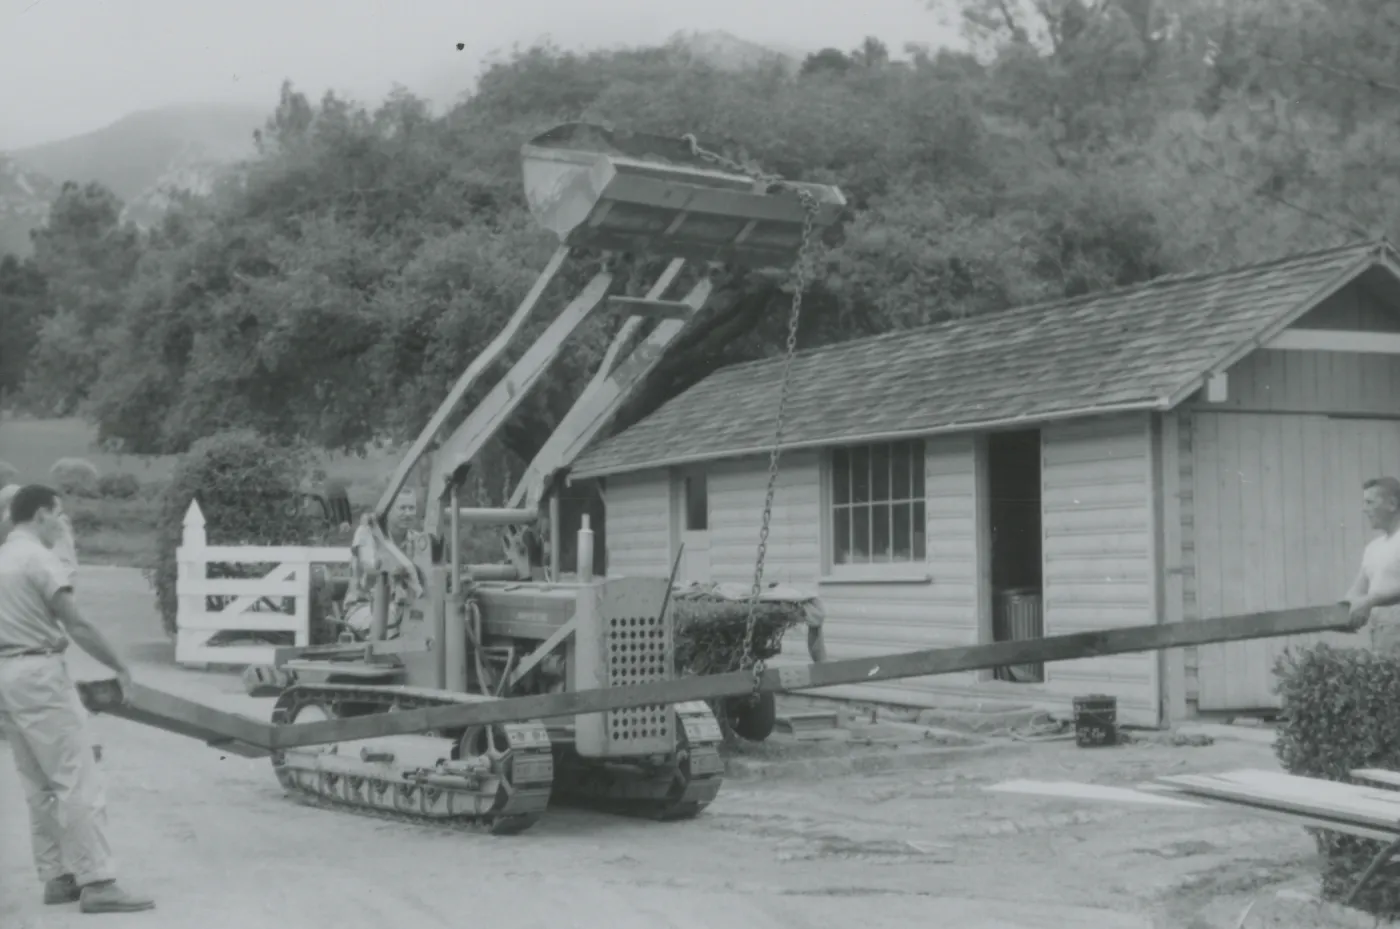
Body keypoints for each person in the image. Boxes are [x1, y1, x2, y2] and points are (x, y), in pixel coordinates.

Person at [0, 484, 153, 913]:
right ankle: (99, 880)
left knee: (39, 783)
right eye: (59, 516)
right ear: (42, 514)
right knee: (77, 777)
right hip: (39, 671)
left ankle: (57, 876)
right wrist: (120, 666)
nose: (61, 525)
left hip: (6, 674)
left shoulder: (2, 558)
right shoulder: (39, 559)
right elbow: (77, 625)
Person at [1343, 477, 1400, 651]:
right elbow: (1357, 591)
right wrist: (1341, 612)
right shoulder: (1373, 548)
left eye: (1370, 502)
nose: (1364, 509)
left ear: (1391, 504)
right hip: (1382, 634)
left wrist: (1369, 601)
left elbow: (1368, 599)